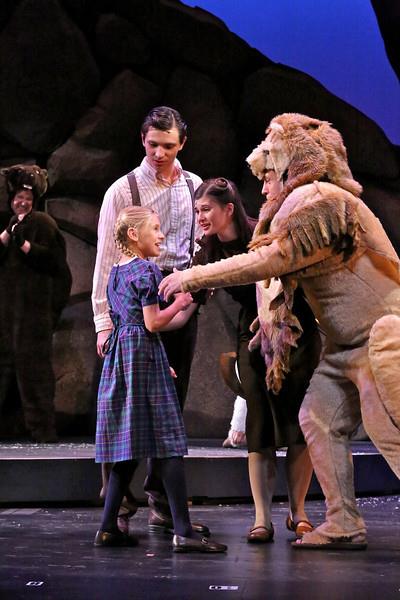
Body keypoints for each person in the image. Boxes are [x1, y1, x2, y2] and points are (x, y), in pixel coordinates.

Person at [159, 113, 400, 550]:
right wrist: (267, 326)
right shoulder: (294, 205)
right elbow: (278, 281)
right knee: (317, 419)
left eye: (270, 174)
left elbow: (272, 261)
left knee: (390, 429)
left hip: (379, 337)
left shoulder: (321, 199)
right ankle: (343, 522)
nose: (264, 185)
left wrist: (191, 278)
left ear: (293, 166)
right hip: (343, 346)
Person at [92, 106, 205, 533]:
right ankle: (118, 511)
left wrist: (193, 292)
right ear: (143, 140)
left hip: (176, 297)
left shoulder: (194, 186)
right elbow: (105, 262)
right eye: (153, 144)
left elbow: (199, 242)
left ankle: (162, 502)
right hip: (132, 310)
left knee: (168, 407)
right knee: (123, 410)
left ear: (182, 144)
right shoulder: (123, 190)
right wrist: (105, 324)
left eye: (169, 145)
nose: (160, 153)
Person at [189, 177, 320, 542]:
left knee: (296, 422)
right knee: (258, 423)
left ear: (228, 209)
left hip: (291, 328)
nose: (200, 217)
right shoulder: (209, 249)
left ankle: (299, 513)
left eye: (206, 210)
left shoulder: (260, 233)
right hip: (252, 336)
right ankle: (262, 518)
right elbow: (192, 296)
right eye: (197, 210)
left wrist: (273, 317)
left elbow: (290, 278)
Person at [94, 205, 227, 554]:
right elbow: (153, 323)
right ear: (134, 235)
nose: (161, 234)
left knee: (127, 450)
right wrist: (182, 301)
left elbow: (127, 323)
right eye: (154, 228)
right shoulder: (146, 271)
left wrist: (157, 361)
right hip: (142, 353)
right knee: (167, 443)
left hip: (126, 359)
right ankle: (183, 531)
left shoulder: (116, 273)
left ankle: (108, 527)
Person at [0, 164, 72, 442]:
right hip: (6, 315)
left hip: (33, 316)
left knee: (34, 373)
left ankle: (42, 431)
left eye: (27, 199)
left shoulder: (43, 224)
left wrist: (27, 247)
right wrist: (8, 236)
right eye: (18, 198)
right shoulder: (8, 227)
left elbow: (57, 265)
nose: (22, 203)